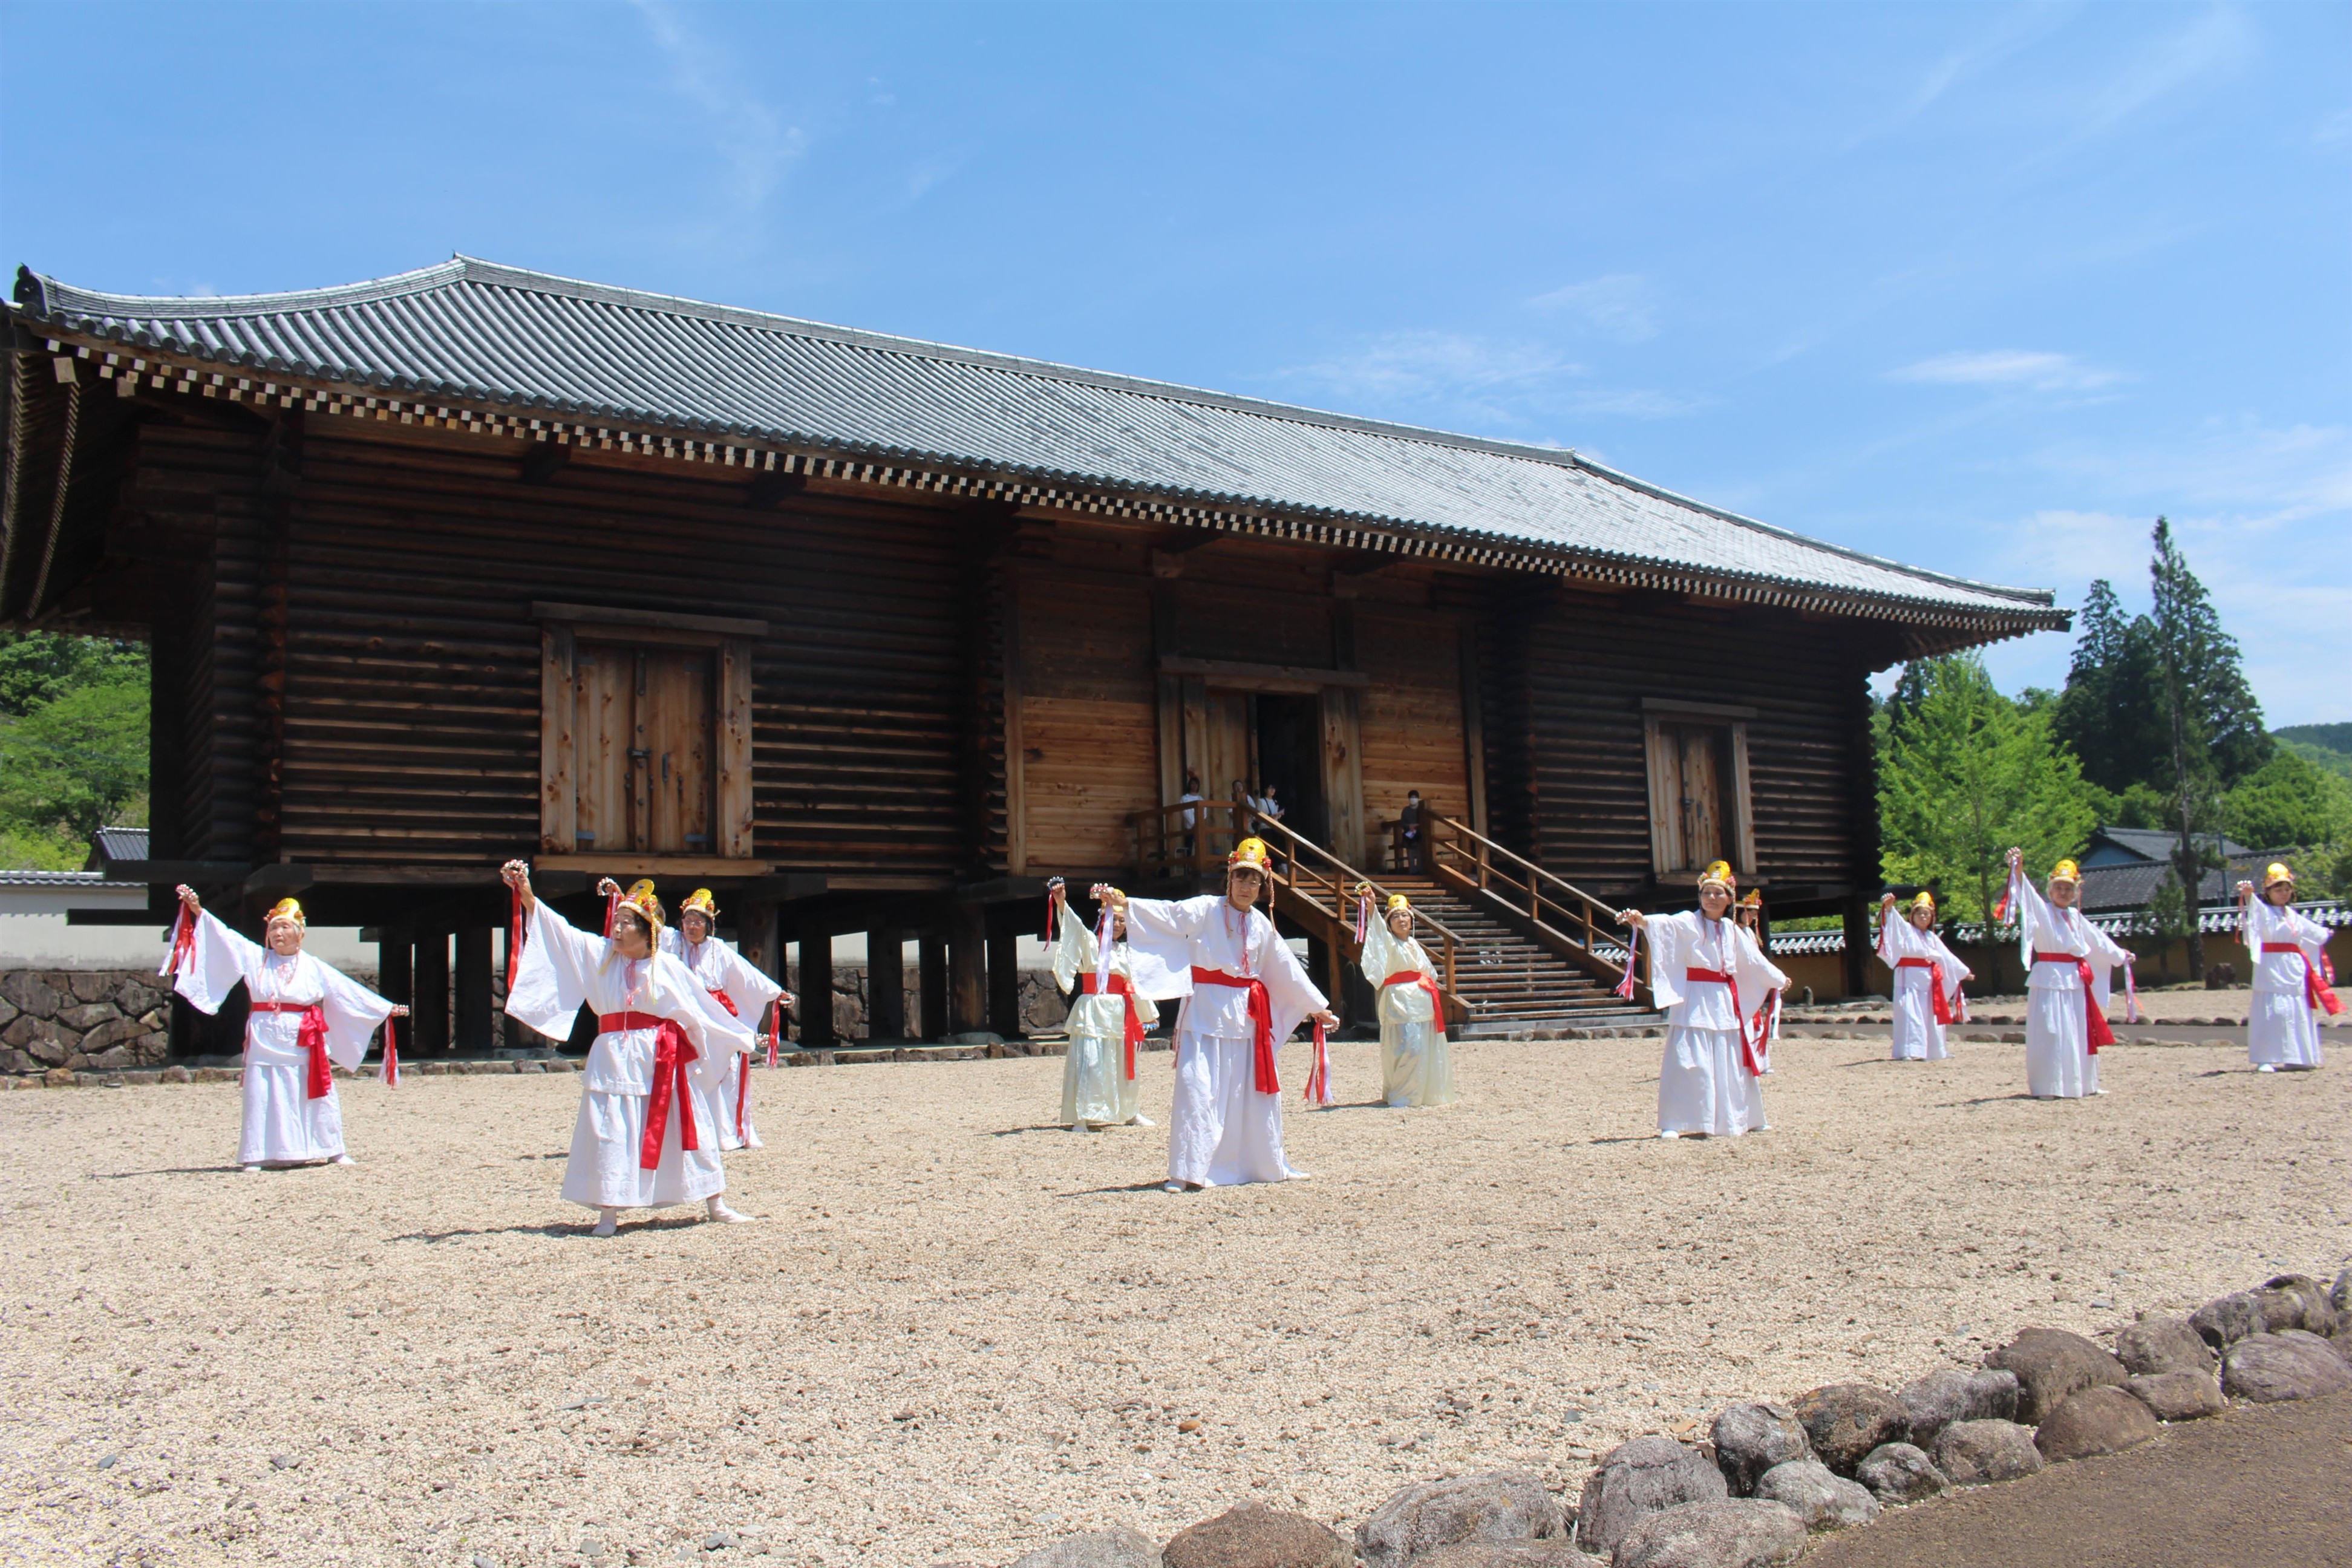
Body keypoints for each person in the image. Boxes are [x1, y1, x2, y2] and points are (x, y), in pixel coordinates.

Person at [501, 863, 756, 1235]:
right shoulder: (600, 956)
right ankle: (609, 1211)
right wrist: (525, 890)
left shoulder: (667, 965)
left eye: (626, 923)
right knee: (611, 1126)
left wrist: (730, 1041)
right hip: (613, 1054)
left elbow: (700, 1010)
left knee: (689, 1123)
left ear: (647, 931)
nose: (616, 929)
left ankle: (715, 1201)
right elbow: (559, 931)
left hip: (661, 1054)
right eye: (616, 922)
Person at [1092, 838, 1340, 1191]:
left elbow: (1286, 970)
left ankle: (1265, 1164)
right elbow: (1170, 914)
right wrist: (1127, 904)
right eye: (1241, 878)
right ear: (1230, 878)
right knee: (1198, 1089)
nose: (1247, 887)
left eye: (1254, 881)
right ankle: (1189, 1170)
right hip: (1206, 1010)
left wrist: (1319, 1008)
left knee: (1250, 1094)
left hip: (1248, 1017)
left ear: (1262, 886)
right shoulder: (1206, 909)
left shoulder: (1262, 926)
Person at [163, 887, 407, 1173]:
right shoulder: (256, 958)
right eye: (274, 927)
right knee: (262, 1092)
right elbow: (226, 937)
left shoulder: (314, 966)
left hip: (303, 1038)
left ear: (300, 933)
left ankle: (330, 1149)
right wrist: (197, 910)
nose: (279, 933)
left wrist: (383, 1008)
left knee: (315, 1090)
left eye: (285, 927)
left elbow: (345, 990)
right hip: (264, 1036)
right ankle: (257, 1153)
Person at [1619, 860, 1786, 1138]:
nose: (1711, 898)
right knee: (1688, 1057)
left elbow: (1753, 961)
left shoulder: (1733, 930)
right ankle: (1676, 1122)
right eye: (1706, 893)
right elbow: (1666, 925)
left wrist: (1778, 979)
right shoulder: (1688, 920)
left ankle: (1741, 1118)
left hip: (1722, 998)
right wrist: (1642, 920)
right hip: (1694, 995)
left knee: (1730, 1057)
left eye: (1718, 893)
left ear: (1729, 899)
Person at [642, 884, 792, 1149]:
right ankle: (687, 1132)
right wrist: (622, 897)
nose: (691, 926)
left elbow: (747, 974)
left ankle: (726, 1133)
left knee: (726, 1069)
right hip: (687, 1014)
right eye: (687, 921)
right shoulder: (672, 942)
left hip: (716, 1015)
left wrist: (775, 992)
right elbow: (651, 925)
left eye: (698, 921)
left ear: (708, 925)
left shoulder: (719, 950)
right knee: (687, 1069)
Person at [2002, 849, 2132, 1100]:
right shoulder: (2042, 911)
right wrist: (2018, 870)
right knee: (2051, 1031)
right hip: (2049, 978)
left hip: (2074, 980)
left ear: (2076, 893)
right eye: (2059, 887)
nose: (2063, 892)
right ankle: (2050, 1086)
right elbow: (2027, 897)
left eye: (2069, 888)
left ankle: (2083, 1083)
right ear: (2050, 890)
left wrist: (2121, 955)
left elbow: (2099, 942)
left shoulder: (2076, 917)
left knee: (2077, 1031)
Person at [1046, 877, 1168, 1129]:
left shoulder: (1126, 952)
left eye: (1123, 921)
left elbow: (1135, 983)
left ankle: (1130, 1111)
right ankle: (1082, 1115)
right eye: (1115, 919)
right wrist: (1062, 903)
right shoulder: (1090, 943)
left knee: (1123, 1062)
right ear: (1103, 919)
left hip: (1122, 1010)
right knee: (1091, 1061)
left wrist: (1146, 1013)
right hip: (1094, 1007)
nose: (1119, 926)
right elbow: (1074, 926)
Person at [1358, 886, 1456, 1107]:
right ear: (1389, 922)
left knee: (1423, 1047)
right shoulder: (1389, 942)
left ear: (1411, 921)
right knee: (1406, 1047)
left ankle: (1424, 1094)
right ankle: (1403, 1095)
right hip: (1400, 1001)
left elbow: (1428, 971)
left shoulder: (1413, 944)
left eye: (1405, 916)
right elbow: (1377, 933)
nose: (1401, 920)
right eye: (1396, 917)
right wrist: (1372, 907)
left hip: (1422, 1001)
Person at [2237, 862, 2339, 1072]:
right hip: (2271, 965)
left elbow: (2314, 932)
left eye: (2287, 889)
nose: (2284, 894)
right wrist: (2248, 896)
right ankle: (2265, 1058)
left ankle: (2296, 1056)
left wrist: (2325, 933)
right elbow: (2255, 911)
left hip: (2293, 967)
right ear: (2268, 891)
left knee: (2296, 1010)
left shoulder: (2292, 916)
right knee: (2272, 1010)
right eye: (2278, 889)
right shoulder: (2264, 911)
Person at [1877, 890, 1971, 1062]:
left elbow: (1946, 956)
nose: (1923, 917)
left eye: (1927, 914)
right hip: (1908, 977)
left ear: (1932, 918)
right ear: (1912, 916)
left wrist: (1963, 972)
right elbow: (1896, 923)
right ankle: (1909, 1050)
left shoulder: (1931, 937)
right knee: (1909, 1013)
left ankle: (1932, 1051)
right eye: (1920, 913)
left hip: (1928, 980)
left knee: (1929, 1015)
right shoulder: (1906, 929)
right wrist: (1890, 908)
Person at [1399, 789, 1425, 873]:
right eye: (1412, 798)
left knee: (1420, 854)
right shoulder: (1406, 810)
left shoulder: (1422, 809)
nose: (1413, 799)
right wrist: (1409, 826)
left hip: (1420, 834)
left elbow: (1425, 821)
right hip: (1409, 834)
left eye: (1415, 797)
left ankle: (1420, 871)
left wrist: (1417, 826)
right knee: (1410, 854)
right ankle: (1412, 871)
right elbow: (1402, 823)